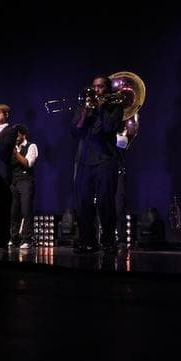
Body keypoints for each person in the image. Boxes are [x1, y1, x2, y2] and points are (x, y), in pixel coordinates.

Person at [71, 76, 125, 253]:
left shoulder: (115, 106)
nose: (96, 90)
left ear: (107, 90)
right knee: (83, 202)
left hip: (105, 160)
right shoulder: (84, 106)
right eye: (94, 86)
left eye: (100, 87)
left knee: (105, 202)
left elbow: (110, 128)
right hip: (84, 161)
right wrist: (86, 113)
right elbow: (75, 131)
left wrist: (101, 110)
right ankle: (88, 240)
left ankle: (109, 241)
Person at [8, 124, 38, 249]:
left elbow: (27, 163)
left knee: (26, 211)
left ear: (23, 135)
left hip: (26, 181)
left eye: (17, 135)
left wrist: (15, 153)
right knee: (13, 211)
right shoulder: (12, 147)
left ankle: (27, 239)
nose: (15, 137)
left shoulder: (31, 146)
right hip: (14, 181)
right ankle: (14, 238)